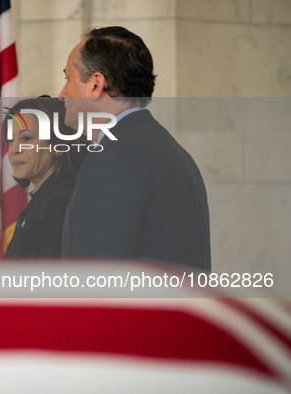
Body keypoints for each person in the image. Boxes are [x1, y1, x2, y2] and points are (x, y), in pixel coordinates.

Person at [60, 26, 211, 271]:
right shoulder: (175, 154)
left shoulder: (110, 161)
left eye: (69, 79)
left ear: (96, 84)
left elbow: (94, 286)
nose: (62, 93)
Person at [3, 97, 86, 259]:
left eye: (26, 138)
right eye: (11, 140)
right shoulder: (46, 199)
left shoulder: (60, 201)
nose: (14, 149)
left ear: (60, 146)